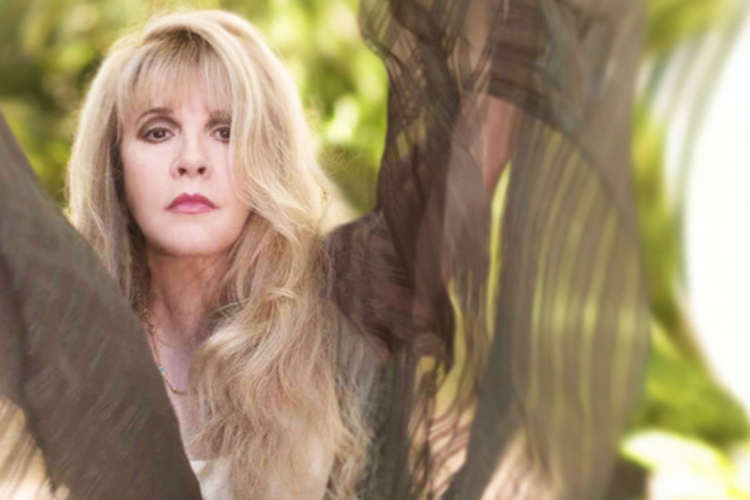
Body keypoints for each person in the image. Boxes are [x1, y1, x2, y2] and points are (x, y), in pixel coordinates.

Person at [0, 1, 651, 500]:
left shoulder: (343, 296)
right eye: (158, 131)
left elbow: (471, 160)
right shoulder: (58, 330)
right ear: (114, 164)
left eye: (226, 130)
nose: (192, 160)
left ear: (267, 155)